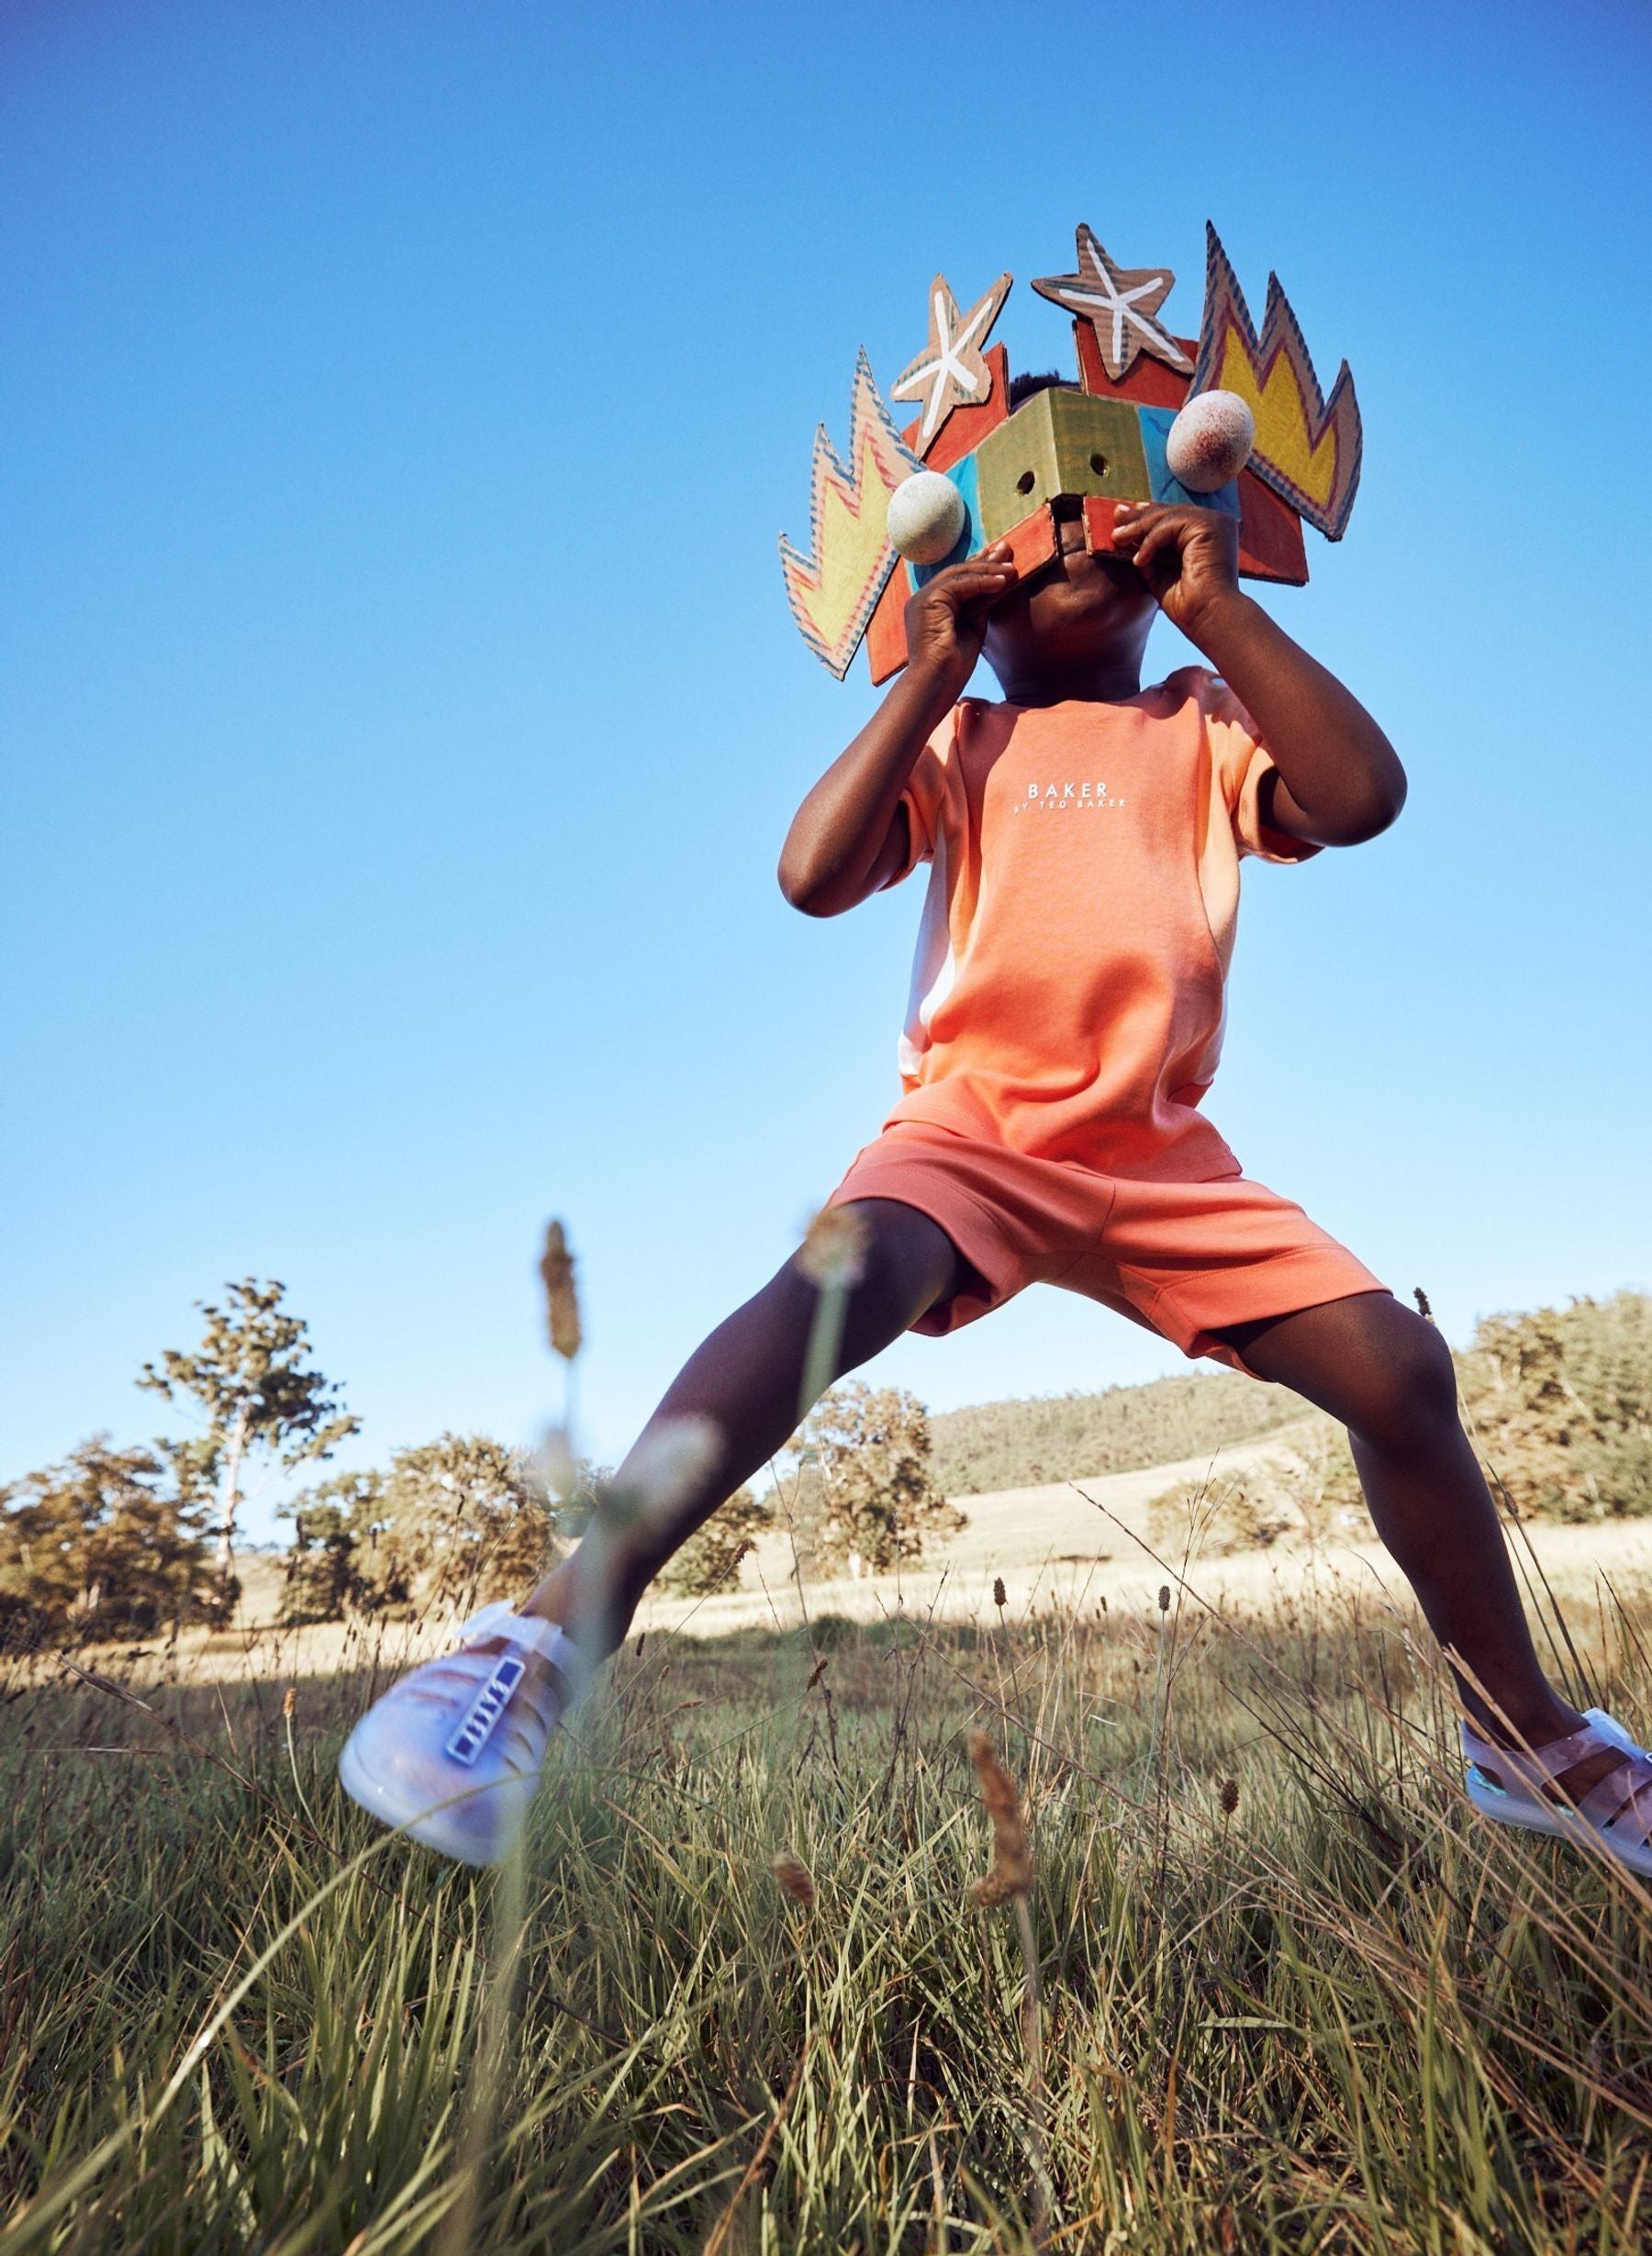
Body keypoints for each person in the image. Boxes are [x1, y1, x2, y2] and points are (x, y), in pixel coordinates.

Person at [338, 379, 1652, 1877]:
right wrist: (922, 672)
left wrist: (1220, 612)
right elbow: (811, 876)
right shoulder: (958, 742)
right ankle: (536, 1646)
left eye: (1104, 497)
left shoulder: (1208, 721)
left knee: (1404, 1372)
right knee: (832, 1285)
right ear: (969, 574)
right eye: (1025, 515)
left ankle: (1528, 1739)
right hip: (968, 1138)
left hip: (1161, 1161)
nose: (1069, 526)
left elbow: (1363, 797)